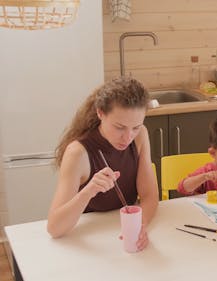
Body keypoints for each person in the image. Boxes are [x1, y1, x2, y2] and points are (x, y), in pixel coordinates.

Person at [47, 77, 158, 252]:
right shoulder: (78, 153)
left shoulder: (140, 135)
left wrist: (139, 225)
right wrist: (88, 192)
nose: (128, 137)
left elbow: (149, 196)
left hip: (122, 236)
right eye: (120, 127)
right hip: (90, 243)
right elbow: (54, 228)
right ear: (100, 113)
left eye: (135, 126)